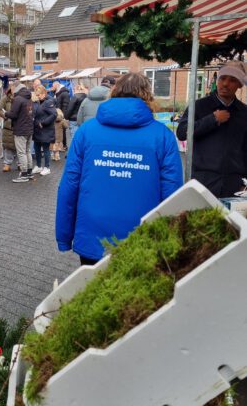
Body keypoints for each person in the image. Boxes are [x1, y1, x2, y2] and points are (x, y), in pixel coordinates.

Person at [56, 72, 183, 266]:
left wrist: (64, 235)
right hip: (143, 236)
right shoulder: (162, 136)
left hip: (93, 234)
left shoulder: (86, 132)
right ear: (148, 96)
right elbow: (172, 194)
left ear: (113, 92)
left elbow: (69, 186)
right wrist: (171, 243)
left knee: (95, 291)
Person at [177, 61, 247, 197]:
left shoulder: (243, 112)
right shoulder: (199, 106)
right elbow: (182, 132)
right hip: (203, 181)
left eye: (232, 80)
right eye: (222, 78)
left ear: (239, 85)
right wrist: (212, 120)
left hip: (234, 184)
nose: (225, 84)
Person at [2, 82, 34, 183]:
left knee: (21, 152)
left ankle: (24, 174)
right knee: (27, 151)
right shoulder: (29, 98)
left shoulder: (18, 99)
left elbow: (13, 114)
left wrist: (5, 113)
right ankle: (29, 172)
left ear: (15, 88)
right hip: (29, 129)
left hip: (20, 129)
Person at [32, 85, 57, 176]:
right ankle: (38, 166)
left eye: (38, 95)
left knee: (46, 149)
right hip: (38, 130)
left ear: (43, 93)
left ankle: (47, 167)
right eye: (36, 95)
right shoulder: (40, 102)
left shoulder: (48, 102)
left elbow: (54, 114)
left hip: (45, 130)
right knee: (37, 148)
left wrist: (43, 123)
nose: (37, 97)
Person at [0, 84, 18, 172]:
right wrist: (5, 117)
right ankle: (7, 163)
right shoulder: (5, 99)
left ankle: (20, 164)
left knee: (20, 146)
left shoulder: (21, 98)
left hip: (19, 126)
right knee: (8, 145)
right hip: (8, 126)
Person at [52, 81, 70, 150]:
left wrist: (63, 116)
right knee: (59, 131)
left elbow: (65, 105)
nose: (52, 88)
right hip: (58, 114)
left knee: (63, 131)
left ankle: (64, 146)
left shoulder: (64, 93)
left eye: (53, 86)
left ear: (56, 86)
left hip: (61, 115)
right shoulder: (57, 93)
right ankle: (60, 146)